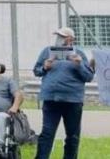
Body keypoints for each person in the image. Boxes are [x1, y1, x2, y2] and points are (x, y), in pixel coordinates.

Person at [33, 27, 94, 159]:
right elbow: (36, 71)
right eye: (58, 36)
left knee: (72, 135)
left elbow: (89, 77)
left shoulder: (79, 53)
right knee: (47, 133)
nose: (58, 38)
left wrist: (79, 65)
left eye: (62, 36)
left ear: (71, 39)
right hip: (51, 99)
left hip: (73, 100)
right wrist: (45, 67)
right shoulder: (47, 51)